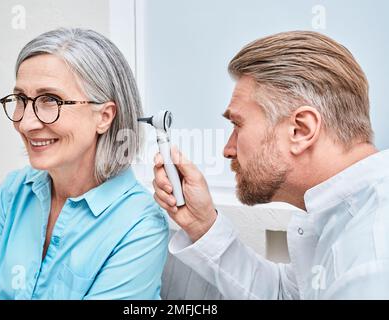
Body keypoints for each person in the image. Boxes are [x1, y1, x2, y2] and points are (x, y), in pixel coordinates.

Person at [153, 31, 389, 299]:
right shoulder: (331, 212)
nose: (228, 150)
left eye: (237, 125)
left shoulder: (373, 260)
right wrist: (202, 224)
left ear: (300, 130)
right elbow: (283, 295)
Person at [0, 28, 168, 300]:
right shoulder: (14, 191)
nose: (25, 123)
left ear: (104, 116)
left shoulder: (140, 225)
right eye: (21, 99)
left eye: (50, 100)